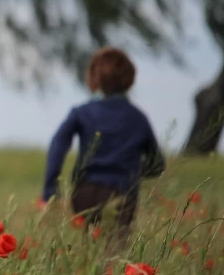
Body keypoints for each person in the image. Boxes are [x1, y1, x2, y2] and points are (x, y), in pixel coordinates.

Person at [40, 47, 165, 235]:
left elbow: (58, 145)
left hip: (85, 192)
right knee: (115, 252)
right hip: (123, 193)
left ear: (92, 78)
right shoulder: (138, 118)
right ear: (129, 80)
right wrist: (131, 172)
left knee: (88, 249)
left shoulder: (81, 113)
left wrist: (50, 190)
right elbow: (157, 164)